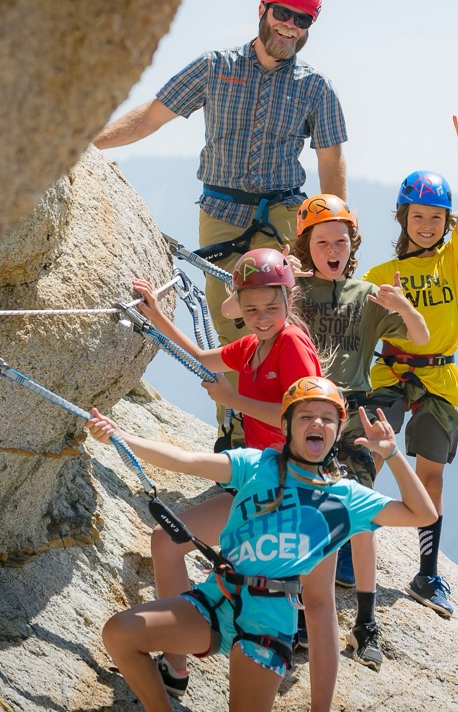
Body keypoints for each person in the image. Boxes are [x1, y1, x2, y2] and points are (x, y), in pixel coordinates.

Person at [94, 0, 348, 447]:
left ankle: (293, 442)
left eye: (301, 19)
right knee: (229, 328)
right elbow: (152, 115)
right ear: (263, 9)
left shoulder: (316, 88)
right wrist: (86, 145)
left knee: (279, 323)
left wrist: (329, 233)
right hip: (221, 212)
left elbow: (332, 164)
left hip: (282, 216)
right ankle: (234, 436)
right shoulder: (214, 67)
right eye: (282, 14)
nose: (290, 26)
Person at [85, 377, 437, 712]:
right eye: (306, 415)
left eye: (327, 418)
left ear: (338, 430)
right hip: (215, 600)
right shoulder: (258, 465)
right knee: (120, 634)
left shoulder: (345, 498)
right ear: (286, 427)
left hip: (268, 623)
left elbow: (423, 514)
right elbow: (185, 460)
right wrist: (120, 437)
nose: (317, 422)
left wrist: (392, 455)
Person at [130, 247, 333, 700]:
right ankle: (176, 664)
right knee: (166, 542)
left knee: (172, 544)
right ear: (239, 307)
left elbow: (305, 414)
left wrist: (234, 400)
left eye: (272, 308)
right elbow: (205, 356)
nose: (262, 317)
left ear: (288, 301)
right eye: (252, 308)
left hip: (286, 486)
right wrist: (159, 315)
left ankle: (187, 660)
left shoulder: (291, 345)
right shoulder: (255, 345)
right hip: (256, 476)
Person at [287, 193, 429, 669]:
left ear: (353, 245)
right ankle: (304, 617)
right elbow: (233, 309)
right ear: (307, 246)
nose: (333, 249)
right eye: (322, 241)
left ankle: (366, 622)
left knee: (362, 516)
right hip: (307, 413)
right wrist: (280, 275)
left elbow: (421, 336)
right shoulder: (295, 291)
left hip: (355, 417)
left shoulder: (366, 296)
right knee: (308, 512)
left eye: (341, 241)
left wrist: (403, 307)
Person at [361, 116, 458, 619]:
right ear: (403, 218)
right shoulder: (380, 275)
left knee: (430, 479)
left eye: (436, 218)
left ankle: (427, 574)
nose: (427, 226)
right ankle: (349, 553)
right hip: (390, 373)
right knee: (362, 459)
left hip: (437, 378)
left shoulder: (454, 259)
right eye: (419, 217)